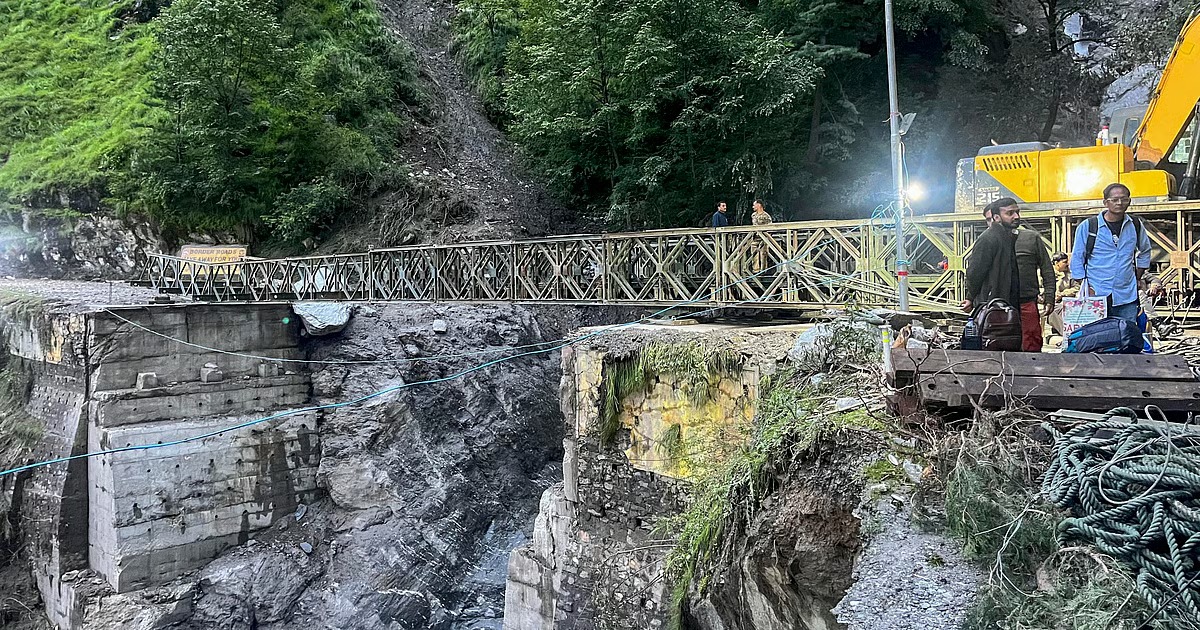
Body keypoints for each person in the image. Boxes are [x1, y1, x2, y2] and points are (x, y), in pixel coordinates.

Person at [1068, 183, 1152, 323]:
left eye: (1124, 199)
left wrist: (1137, 276)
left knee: (1125, 337)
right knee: (1097, 338)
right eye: (1114, 200)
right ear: (1105, 202)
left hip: (1126, 296)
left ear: (1129, 201)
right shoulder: (1089, 226)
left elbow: (1145, 251)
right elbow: (1077, 259)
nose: (1119, 203)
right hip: (1096, 295)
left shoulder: (1135, 225)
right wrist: (1086, 287)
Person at [964, 198, 1021, 315]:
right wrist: (970, 297)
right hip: (992, 306)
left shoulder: (1007, 237)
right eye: (1010, 213)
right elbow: (974, 272)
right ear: (996, 217)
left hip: (1004, 305)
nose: (1016, 216)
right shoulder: (988, 238)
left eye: (1017, 212)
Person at [1014, 221, 1056, 351]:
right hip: (999, 304)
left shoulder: (1030, 238)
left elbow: (1047, 269)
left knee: (1031, 342)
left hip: (1026, 301)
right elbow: (977, 271)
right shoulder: (989, 240)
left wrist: (1049, 296)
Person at [1047, 252, 1077, 336]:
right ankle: (1065, 333)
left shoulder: (1070, 275)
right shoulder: (1047, 274)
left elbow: (1076, 288)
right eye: (1064, 262)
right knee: (1053, 308)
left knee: (1060, 308)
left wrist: (1063, 294)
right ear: (1057, 263)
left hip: (1065, 300)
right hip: (1049, 301)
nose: (1067, 264)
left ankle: (1065, 333)